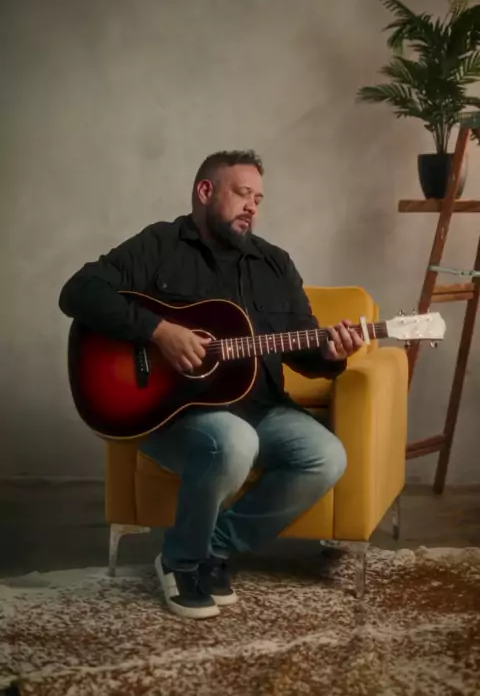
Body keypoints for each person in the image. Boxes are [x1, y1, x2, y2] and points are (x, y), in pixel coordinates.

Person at [59, 149, 363, 619]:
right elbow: (78, 292)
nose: (252, 207)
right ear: (205, 191)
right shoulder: (160, 245)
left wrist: (331, 353)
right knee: (233, 439)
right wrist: (159, 331)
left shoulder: (275, 264)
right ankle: (180, 562)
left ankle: (213, 548)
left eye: (258, 199)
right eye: (242, 194)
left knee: (326, 456)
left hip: (263, 409)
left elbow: (303, 345)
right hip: (174, 416)